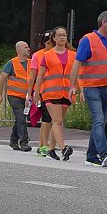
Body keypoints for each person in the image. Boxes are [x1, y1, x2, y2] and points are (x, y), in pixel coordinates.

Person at [70, 12, 107, 167]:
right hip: (92, 86)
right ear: (103, 23)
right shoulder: (88, 40)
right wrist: (72, 86)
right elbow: (77, 64)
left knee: (100, 122)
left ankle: (91, 156)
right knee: (99, 120)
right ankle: (103, 153)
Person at [36, 27, 76, 160]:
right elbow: (40, 76)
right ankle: (64, 148)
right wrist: (36, 92)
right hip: (50, 92)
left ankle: (52, 149)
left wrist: (78, 89)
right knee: (57, 121)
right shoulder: (47, 55)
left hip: (65, 92)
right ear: (54, 38)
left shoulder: (73, 54)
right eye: (59, 35)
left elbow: (76, 74)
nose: (62, 38)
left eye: (64, 35)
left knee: (58, 121)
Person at [0, 41, 32, 152]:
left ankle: (13, 140)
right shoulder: (11, 63)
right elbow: (2, 79)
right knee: (21, 118)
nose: (28, 49)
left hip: (26, 97)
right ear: (19, 50)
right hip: (14, 96)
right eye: (26, 47)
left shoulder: (31, 63)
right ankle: (24, 142)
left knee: (20, 119)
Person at [27, 32, 55, 157]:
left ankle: (48, 145)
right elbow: (33, 75)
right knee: (46, 117)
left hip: (56, 90)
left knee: (55, 119)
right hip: (43, 90)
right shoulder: (38, 56)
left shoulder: (57, 54)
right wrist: (31, 93)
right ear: (44, 43)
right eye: (48, 42)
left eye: (51, 42)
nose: (50, 45)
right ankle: (43, 144)